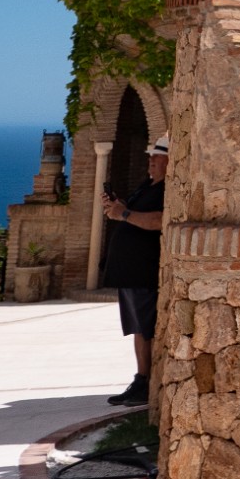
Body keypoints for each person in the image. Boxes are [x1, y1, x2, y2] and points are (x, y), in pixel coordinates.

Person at [99, 137, 167, 407]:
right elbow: (130, 212)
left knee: (145, 328)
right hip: (130, 272)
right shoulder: (147, 186)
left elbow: (159, 220)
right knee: (138, 328)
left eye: (157, 156)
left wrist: (124, 214)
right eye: (151, 155)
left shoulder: (166, 190)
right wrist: (117, 206)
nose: (151, 160)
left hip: (143, 270)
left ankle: (145, 382)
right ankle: (140, 379)